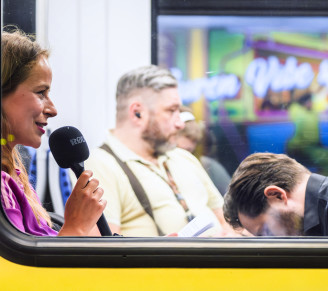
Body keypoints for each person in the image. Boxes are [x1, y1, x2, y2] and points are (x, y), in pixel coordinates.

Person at [83, 65, 231, 236]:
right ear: (137, 113)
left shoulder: (183, 157)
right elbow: (102, 247)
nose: (180, 124)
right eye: (171, 111)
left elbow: (225, 220)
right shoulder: (100, 165)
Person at [0, 29, 105, 236]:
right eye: (41, 93)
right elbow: (12, 258)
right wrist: (76, 226)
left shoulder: (17, 178)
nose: (53, 110)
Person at [173, 107, 231, 196]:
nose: (190, 146)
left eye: (194, 141)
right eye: (187, 136)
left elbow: (230, 196)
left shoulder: (208, 166)